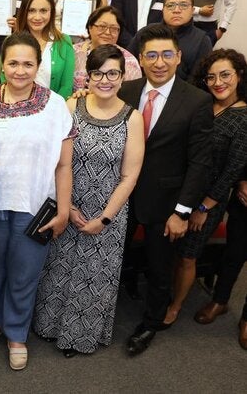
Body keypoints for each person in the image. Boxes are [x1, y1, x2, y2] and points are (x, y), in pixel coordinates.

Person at [0, 31, 75, 370]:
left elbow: (64, 164)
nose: (19, 70)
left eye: (28, 63)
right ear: (1, 64)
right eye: (13, 62)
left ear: (38, 65)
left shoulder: (55, 106)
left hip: (35, 208)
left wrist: (63, 210)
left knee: (24, 274)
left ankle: (16, 332)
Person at [34, 44, 144, 357]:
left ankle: (81, 337)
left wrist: (105, 218)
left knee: (93, 278)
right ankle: (49, 327)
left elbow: (129, 176)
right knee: (57, 270)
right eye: (98, 73)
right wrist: (66, 206)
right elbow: (56, 161)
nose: (105, 79)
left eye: (113, 73)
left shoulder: (132, 119)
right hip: (68, 205)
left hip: (108, 213)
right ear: (88, 77)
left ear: (123, 77)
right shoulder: (71, 107)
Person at [122, 23, 213, 356]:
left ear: (178, 57)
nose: (159, 62)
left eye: (166, 54)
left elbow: (201, 162)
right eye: (151, 55)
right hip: (121, 197)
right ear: (141, 60)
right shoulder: (126, 90)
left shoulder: (197, 101)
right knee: (109, 258)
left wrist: (182, 212)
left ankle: (150, 324)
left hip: (166, 203)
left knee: (160, 270)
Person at [163, 50, 247, 328]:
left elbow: (232, 172)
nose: (218, 82)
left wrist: (203, 208)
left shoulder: (243, 116)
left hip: (208, 201)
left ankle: (175, 307)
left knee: (188, 255)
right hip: (181, 189)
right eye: (211, 77)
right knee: (171, 250)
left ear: (239, 76)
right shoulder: (202, 105)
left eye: (225, 75)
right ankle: (164, 294)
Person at [196, 166, 247, 350]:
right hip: (243, 207)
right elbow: (239, 157)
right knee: (233, 256)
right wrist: (241, 183)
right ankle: (219, 301)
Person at [127, 0, 212, 81]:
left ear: (192, 10)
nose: (176, 10)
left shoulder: (202, 40)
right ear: (163, 9)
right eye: (170, 5)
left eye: (183, 5)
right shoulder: (146, 32)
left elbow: (200, 79)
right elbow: (129, 64)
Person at [11, 0, 74, 98]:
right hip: (17, 109)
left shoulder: (64, 42)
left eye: (43, 11)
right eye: (31, 10)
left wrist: (51, 110)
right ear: (24, 12)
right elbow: (6, 80)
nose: (37, 17)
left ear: (52, 12)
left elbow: (66, 86)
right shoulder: (11, 42)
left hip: (53, 110)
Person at [73, 6, 142, 90]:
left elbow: (131, 93)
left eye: (114, 28)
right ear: (90, 27)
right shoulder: (73, 52)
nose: (107, 32)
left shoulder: (129, 62)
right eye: (102, 26)